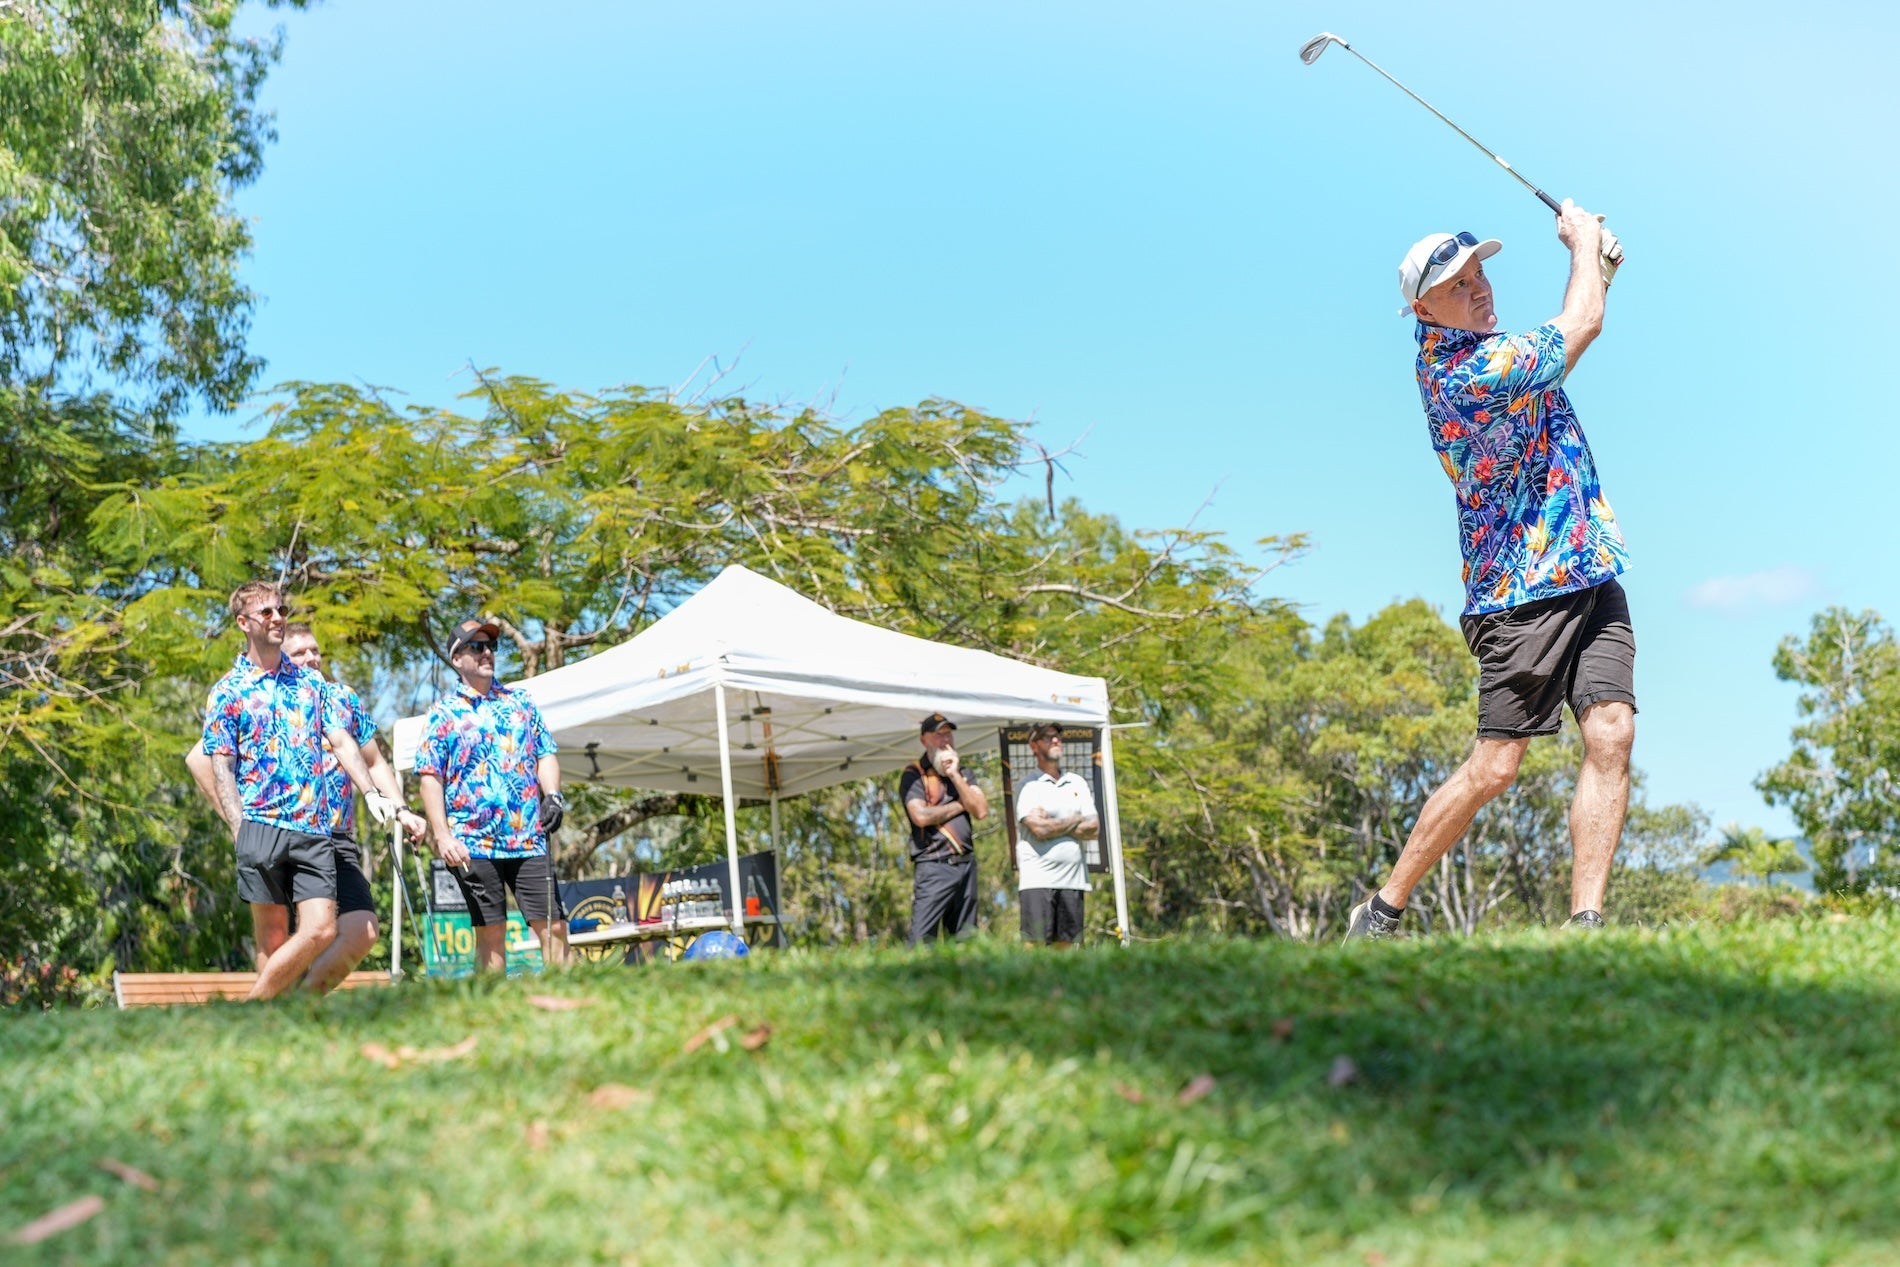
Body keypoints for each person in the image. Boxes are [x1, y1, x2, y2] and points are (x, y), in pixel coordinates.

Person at [1346, 202, 1635, 940]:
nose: (1480, 289)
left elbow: (1572, 325)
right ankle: (1383, 908)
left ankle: (1587, 922)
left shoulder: (1491, 347)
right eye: (1457, 285)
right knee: (1495, 768)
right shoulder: (1462, 374)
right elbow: (1581, 327)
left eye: (1480, 274)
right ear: (1422, 309)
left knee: (1611, 731)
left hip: (1586, 567)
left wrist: (1595, 269)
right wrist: (1581, 248)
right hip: (1519, 592)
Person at [187, 624, 426, 991]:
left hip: (334, 836)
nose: (311, 658)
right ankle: (272, 1019)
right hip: (275, 830)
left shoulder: (341, 697)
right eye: (300, 653)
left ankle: (300, 1003)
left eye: (315, 651)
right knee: (275, 936)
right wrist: (238, 823)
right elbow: (199, 760)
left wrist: (401, 808)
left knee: (362, 929)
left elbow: (374, 761)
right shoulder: (257, 692)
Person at [415, 617, 570, 971]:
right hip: (472, 842)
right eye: (477, 646)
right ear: (457, 659)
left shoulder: (521, 702)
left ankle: (568, 1009)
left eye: (491, 646)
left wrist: (553, 796)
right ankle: (490, 1016)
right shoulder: (443, 714)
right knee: (491, 933)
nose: (487, 653)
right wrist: (442, 835)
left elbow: (545, 753)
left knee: (555, 926)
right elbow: (430, 777)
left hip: (528, 838)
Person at [900, 712, 989, 943]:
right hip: (934, 865)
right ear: (924, 740)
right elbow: (920, 816)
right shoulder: (914, 774)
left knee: (965, 941)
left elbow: (980, 810)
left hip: (966, 864)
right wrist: (961, 804)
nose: (945, 740)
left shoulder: (965, 773)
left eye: (948, 734)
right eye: (938, 735)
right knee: (922, 941)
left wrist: (955, 775)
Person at [1012, 723, 1097, 947]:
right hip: (1037, 881)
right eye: (1048, 737)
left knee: (1067, 952)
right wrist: (1075, 818)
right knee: (1035, 950)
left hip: (1073, 881)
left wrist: (1052, 822)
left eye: (1058, 736)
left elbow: (1094, 828)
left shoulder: (1077, 782)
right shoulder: (1027, 786)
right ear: (1034, 746)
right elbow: (1038, 830)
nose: (1056, 740)